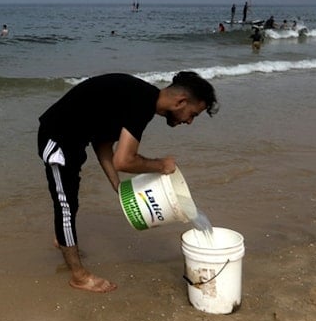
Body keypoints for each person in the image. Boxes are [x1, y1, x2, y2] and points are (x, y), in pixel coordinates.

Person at [38, 71, 218, 293]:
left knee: (70, 200)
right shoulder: (141, 103)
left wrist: (119, 187)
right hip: (57, 138)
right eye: (193, 114)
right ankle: (79, 276)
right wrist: (161, 165)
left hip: (75, 140)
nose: (189, 121)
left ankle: (63, 241)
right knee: (65, 205)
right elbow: (124, 160)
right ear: (181, 101)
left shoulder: (137, 98)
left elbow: (103, 144)